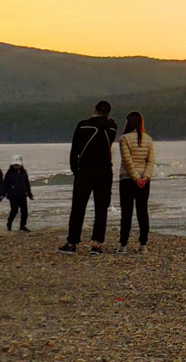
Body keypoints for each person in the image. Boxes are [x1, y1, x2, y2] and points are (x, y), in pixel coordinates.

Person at [63, 100, 120, 253]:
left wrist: (76, 169)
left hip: (85, 171)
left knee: (78, 207)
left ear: (94, 110)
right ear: (108, 113)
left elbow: (74, 149)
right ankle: (96, 243)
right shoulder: (112, 127)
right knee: (101, 208)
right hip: (105, 171)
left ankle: (72, 243)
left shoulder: (83, 125)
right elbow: (111, 122)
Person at [116, 111, 155, 251]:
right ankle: (143, 244)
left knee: (126, 212)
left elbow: (127, 161)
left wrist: (136, 178)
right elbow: (151, 161)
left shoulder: (124, 139)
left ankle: (123, 244)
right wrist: (145, 177)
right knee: (142, 211)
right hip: (144, 181)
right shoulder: (148, 139)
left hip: (127, 179)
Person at [2, 156, 32, 231]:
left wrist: (29, 193)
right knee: (14, 209)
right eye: (15, 165)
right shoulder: (9, 173)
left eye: (18, 165)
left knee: (24, 211)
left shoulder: (23, 172)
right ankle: (9, 222)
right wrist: (3, 194)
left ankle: (22, 226)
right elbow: (5, 184)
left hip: (22, 194)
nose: (16, 166)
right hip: (12, 195)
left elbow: (27, 183)